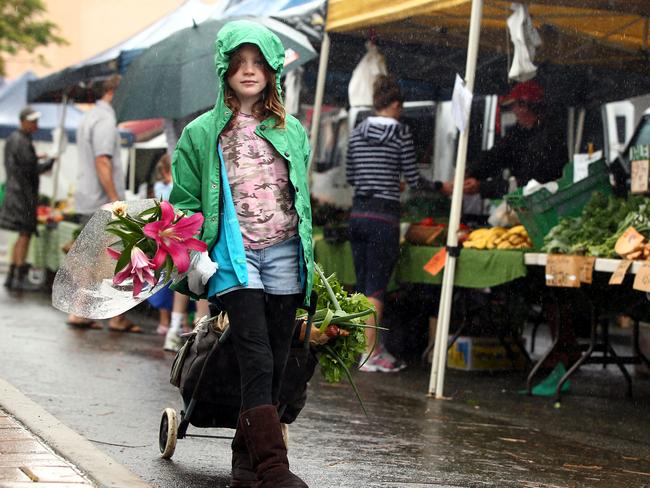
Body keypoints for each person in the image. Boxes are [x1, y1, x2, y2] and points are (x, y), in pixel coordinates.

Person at [168, 20, 313, 487]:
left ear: (272, 69)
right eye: (238, 63)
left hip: (286, 252)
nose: (248, 71)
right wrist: (193, 256)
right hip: (234, 255)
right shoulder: (200, 134)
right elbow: (184, 204)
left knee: (277, 350)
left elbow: (301, 202)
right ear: (224, 69)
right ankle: (273, 466)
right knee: (255, 353)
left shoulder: (293, 131)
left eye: (258, 62)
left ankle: (244, 463)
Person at [346, 75, 449, 373]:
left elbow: (352, 176)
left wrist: (375, 178)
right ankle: (370, 354)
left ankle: (362, 348)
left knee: (363, 284)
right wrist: (441, 186)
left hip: (359, 215)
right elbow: (414, 180)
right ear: (395, 104)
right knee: (377, 286)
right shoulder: (401, 133)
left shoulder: (357, 132)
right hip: (384, 217)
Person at [66, 74, 142, 332]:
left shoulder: (89, 116)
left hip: (87, 196)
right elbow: (102, 160)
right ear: (113, 92)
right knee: (113, 259)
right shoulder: (105, 119)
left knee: (92, 258)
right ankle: (115, 317)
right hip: (101, 199)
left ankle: (78, 311)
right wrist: (114, 200)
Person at [460, 80, 567, 199]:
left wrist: (482, 187)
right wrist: (470, 172)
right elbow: (497, 155)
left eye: (514, 105)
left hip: (545, 201)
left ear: (525, 106)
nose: (513, 111)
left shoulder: (549, 138)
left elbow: (529, 184)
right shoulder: (520, 131)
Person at [0, 107, 54, 291]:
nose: (35, 125)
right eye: (32, 121)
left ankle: (13, 274)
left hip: (17, 192)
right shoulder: (21, 140)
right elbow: (30, 167)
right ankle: (18, 274)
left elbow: (23, 163)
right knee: (25, 233)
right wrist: (49, 162)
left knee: (22, 234)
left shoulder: (15, 139)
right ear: (23, 121)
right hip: (22, 195)